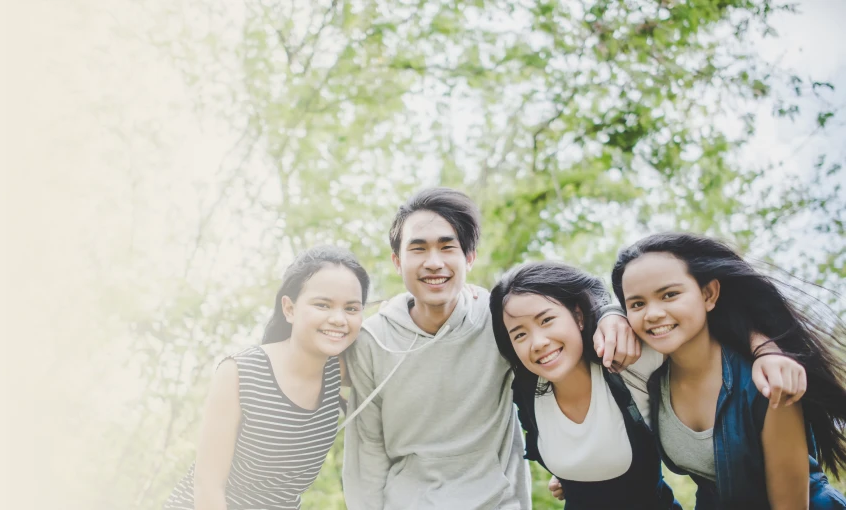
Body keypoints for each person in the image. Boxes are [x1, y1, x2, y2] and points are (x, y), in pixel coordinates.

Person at [340, 187, 642, 510]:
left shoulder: (499, 319)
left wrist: (611, 313)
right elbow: (367, 453)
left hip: (498, 502)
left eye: (447, 247)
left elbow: (573, 303)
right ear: (397, 262)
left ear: (469, 257)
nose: (434, 262)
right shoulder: (373, 340)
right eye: (418, 249)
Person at [490, 261, 808, 509]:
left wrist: (765, 351)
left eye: (546, 320)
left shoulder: (628, 362)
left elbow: (711, 327)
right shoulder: (527, 392)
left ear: (578, 315)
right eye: (519, 334)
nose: (538, 342)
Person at [613, 232, 846, 509]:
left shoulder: (764, 381)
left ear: (708, 294)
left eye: (670, 294)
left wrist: (765, 348)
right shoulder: (651, 381)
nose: (652, 313)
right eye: (637, 304)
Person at [164, 245, 370, 510]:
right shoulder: (240, 372)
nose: (339, 319)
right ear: (289, 308)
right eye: (323, 304)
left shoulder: (336, 371)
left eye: (352, 309)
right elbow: (208, 486)